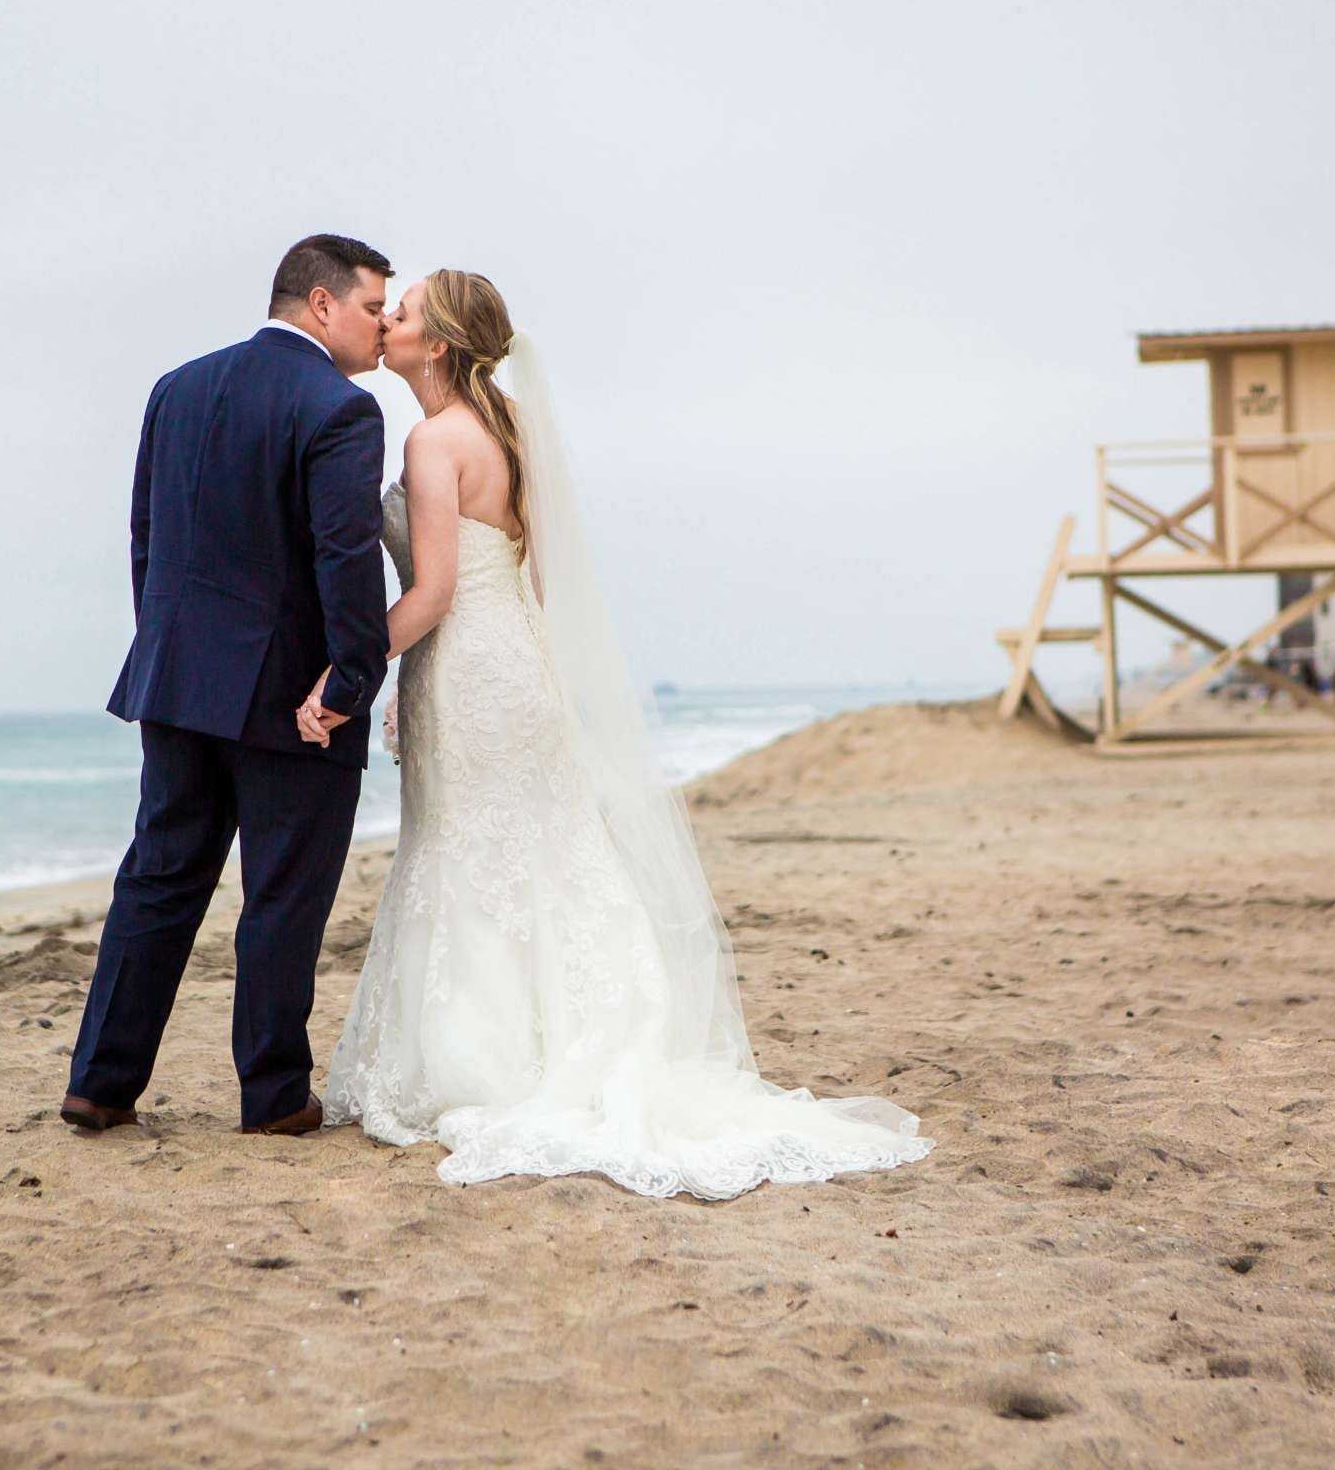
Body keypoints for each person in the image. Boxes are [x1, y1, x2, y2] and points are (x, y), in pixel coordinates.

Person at [306, 270, 934, 1201]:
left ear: (436, 345)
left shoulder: (435, 438)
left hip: (469, 672)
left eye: (401, 315)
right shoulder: (513, 430)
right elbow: (539, 585)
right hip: (515, 668)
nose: (386, 324)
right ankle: (576, 1033)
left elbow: (433, 594)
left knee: (466, 849)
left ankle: (483, 1060)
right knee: (542, 850)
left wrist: (347, 678)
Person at [62, 234, 392, 1138]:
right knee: (281, 894)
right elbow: (345, 557)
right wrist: (353, 677)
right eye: (372, 307)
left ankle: (100, 1082)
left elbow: (146, 540)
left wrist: (167, 647)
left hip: (175, 681)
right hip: (293, 701)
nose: (382, 326)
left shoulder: (177, 386)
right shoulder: (340, 409)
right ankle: (274, 1096)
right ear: (321, 305)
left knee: (158, 882)